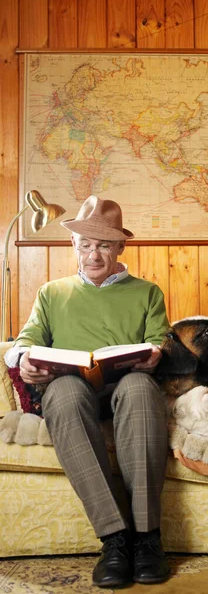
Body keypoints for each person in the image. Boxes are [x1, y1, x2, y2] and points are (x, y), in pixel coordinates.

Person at [4, 195, 171, 588]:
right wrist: (24, 359)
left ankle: (147, 539)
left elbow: (158, 340)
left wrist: (155, 355)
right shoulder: (51, 292)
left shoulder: (147, 292)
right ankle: (115, 540)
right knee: (62, 392)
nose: (93, 255)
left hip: (125, 389)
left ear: (120, 247)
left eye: (104, 245)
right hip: (72, 390)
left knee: (139, 387)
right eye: (86, 245)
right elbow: (24, 342)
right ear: (74, 246)